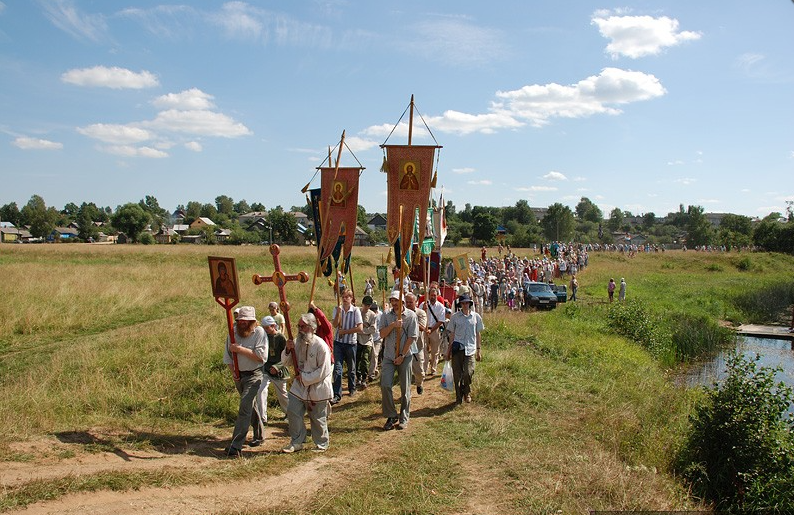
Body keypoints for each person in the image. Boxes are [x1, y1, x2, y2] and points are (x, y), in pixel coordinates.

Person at [281, 312, 333, 453]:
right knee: (293, 411)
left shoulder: (321, 346)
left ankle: (322, 443)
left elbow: (324, 371)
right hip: (299, 387)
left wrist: (305, 377)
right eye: (298, 326)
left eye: (302, 326)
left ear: (311, 327)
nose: (299, 329)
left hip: (318, 387)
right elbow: (286, 362)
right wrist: (287, 349)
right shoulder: (297, 342)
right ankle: (297, 441)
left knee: (317, 417)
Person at [222, 306, 267, 457]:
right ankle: (259, 435)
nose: (242, 323)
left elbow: (261, 357)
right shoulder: (233, 332)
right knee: (249, 405)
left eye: (245, 321)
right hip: (239, 375)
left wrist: (240, 350)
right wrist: (233, 372)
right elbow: (228, 355)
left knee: (244, 406)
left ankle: (235, 445)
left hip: (254, 375)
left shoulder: (259, 333)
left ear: (252, 321)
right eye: (240, 320)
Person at [378, 290, 419, 430]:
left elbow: (412, 337)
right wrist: (393, 325)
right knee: (385, 385)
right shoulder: (385, 315)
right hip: (389, 355)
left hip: (405, 356)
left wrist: (402, 355)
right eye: (392, 301)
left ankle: (404, 416)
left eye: (397, 300)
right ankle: (391, 415)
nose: (394, 303)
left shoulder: (411, 316)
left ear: (402, 302)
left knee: (405, 387)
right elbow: (382, 334)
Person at [444, 295, 484, 405]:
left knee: (468, 372)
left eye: (467, 303)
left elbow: (478, 333)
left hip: (470, 349)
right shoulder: (455, 317)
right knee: (457, 374)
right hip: (457, 349)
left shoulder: (476, 317)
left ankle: (466, 391)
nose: (465, 305)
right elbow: (451, 334)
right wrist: (448, 351)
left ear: (470, 304)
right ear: (460, 305)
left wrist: (479, 350)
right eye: (463, 303)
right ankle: (458, 396)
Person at [255, 316, 289, 431]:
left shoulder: (280, 338)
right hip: (266, 369)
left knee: (282, 395)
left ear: (273, 326)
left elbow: (287, 356)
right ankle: (262, 417)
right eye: (263, 328)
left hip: (279, 371)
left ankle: (289, 413)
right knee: (261, 390)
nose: (265, 330)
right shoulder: (263, 337)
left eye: (267, 328)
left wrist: (277, 366)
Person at [331, 289, 362, 404]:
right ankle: (337, 394)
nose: (344, 299)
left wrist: (346, 331)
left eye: (347, 297)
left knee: (351, 368)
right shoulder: (337, 309)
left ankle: (351, 387)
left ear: (351, 298)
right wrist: (339, 313)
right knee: (337, 369)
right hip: (338, 343)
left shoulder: (355, 311)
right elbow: (334, 325)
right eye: (343, 297)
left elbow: (360, 328)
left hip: (350, 343)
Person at [420, 285, 447, 376]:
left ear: (437, 296)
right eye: (431, 295)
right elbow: (418, 317)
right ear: (428, 295)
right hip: (424, 330)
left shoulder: (440, 307)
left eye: (434, 295)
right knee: (424, 350)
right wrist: (423, 310)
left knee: (435, 351)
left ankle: (433, 368)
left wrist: (431, 330)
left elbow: (440, 321)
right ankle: (424, 368)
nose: (433, 297)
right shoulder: (423, 305)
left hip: (435, 330)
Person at [404, 292, 426, 395]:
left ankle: (419, 383)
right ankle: (406, 391)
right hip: (405, 346)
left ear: (415, 302)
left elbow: (422, 327)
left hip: (417, 346)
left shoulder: (420, 313)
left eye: (410, 302)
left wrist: (412, 318)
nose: (408, 304)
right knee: (406, 371)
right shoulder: (401, 313)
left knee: (419, 370)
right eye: (406, 302)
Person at [356, 295, 378, 390]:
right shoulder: (357, 312)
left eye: (368, 305)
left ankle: (364, 378)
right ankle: (358, 377)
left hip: (367, 341)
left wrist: (362, 330)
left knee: (365, 359)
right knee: (357, 359)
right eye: (365, 305)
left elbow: (373, 329)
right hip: (357, 339)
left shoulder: (372, 315)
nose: (367, 307)